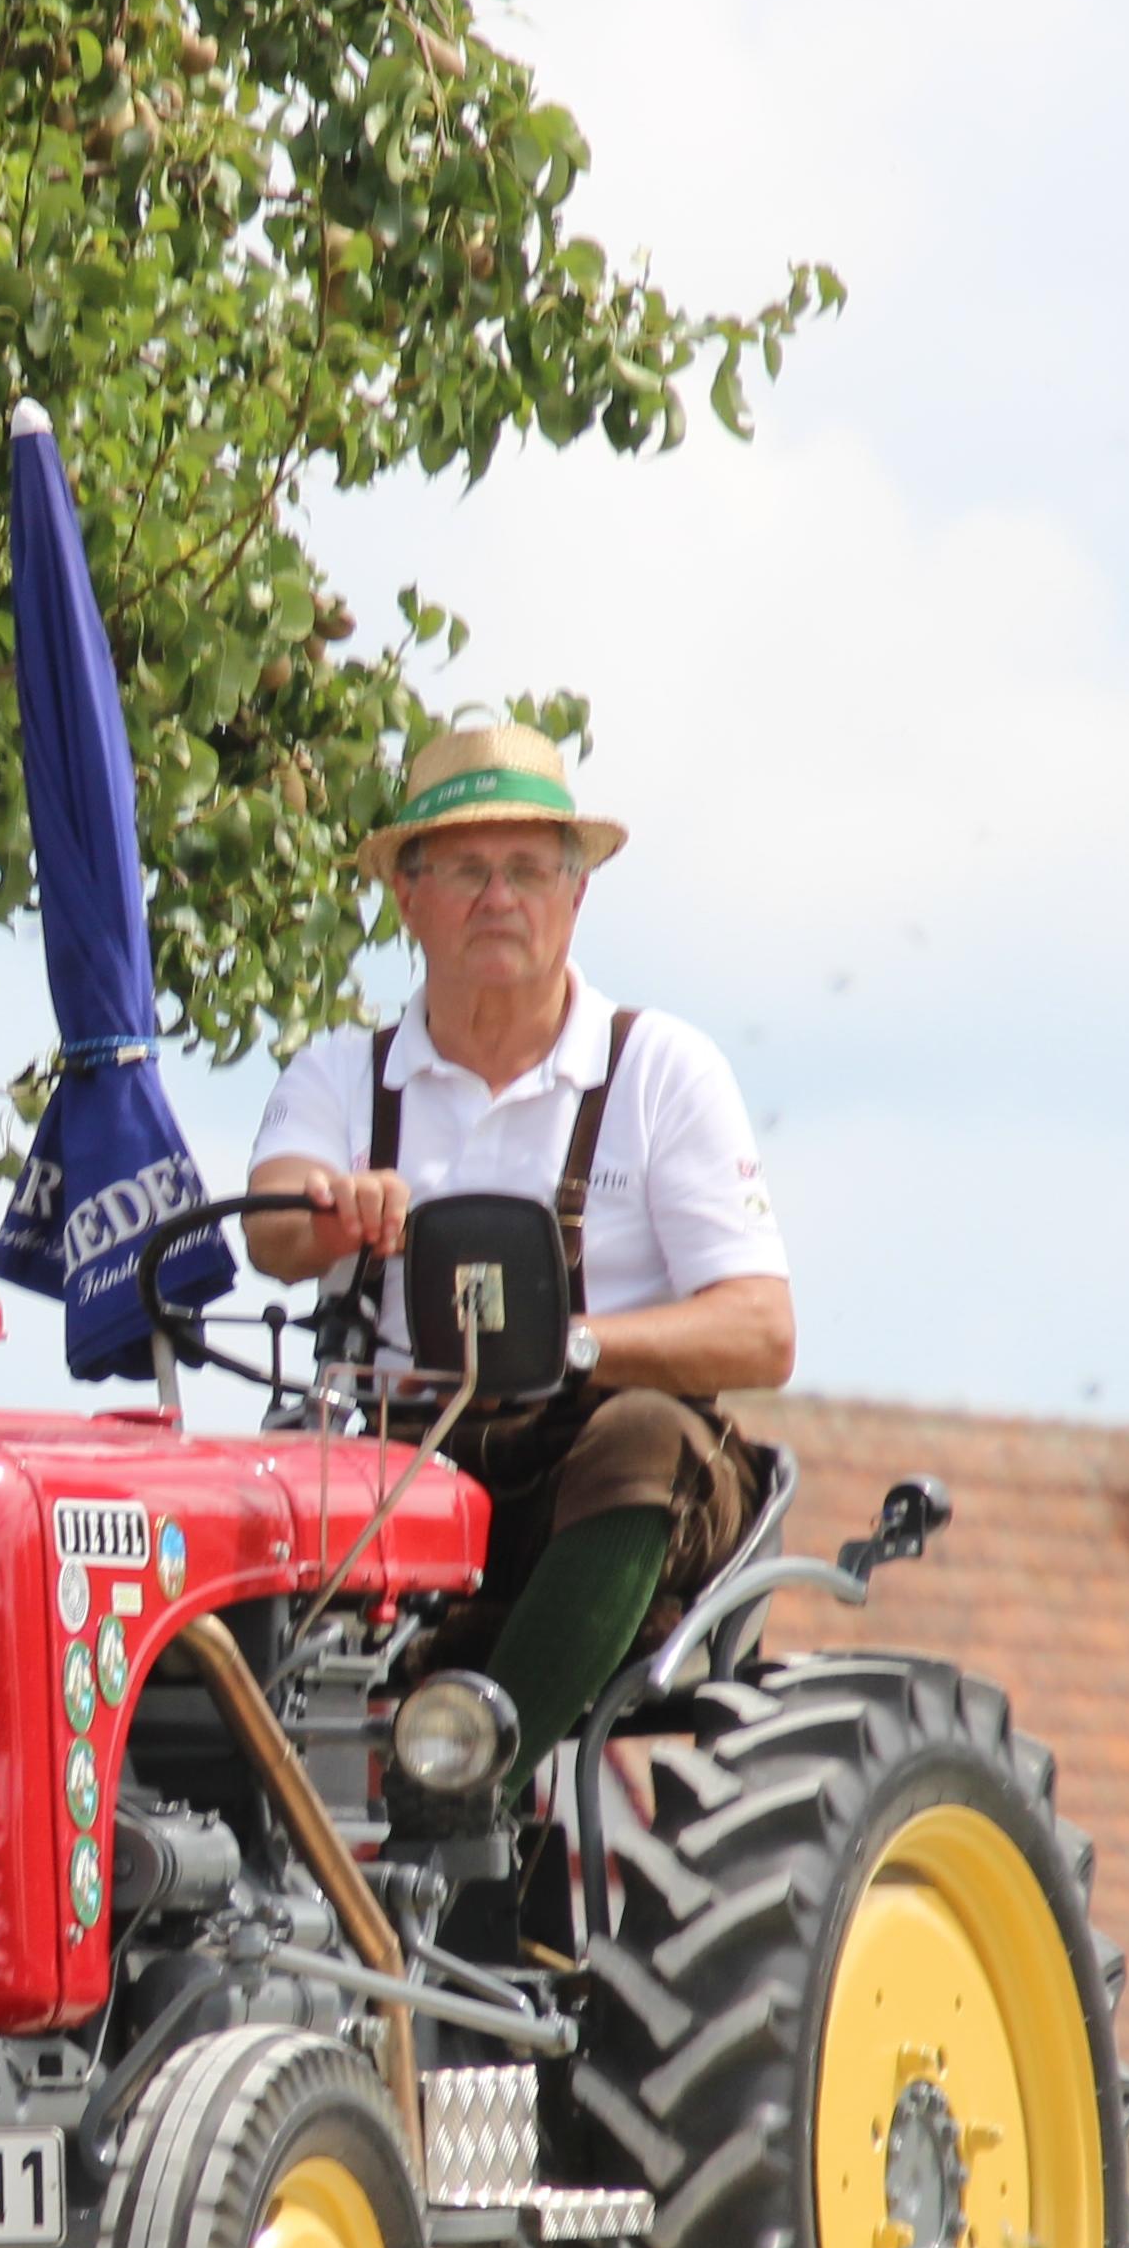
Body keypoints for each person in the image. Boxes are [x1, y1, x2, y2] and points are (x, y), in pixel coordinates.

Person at [241, 719, 792, 1754]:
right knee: (232, 1490)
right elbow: (270, 1228)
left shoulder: (660, 1068)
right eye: (466, 870)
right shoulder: (339, 1075)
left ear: (575, 895)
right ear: (407, 896)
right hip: (404, 1456)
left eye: (529, 869)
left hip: (614, 1470)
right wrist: (333, 1206)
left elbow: (762, 1333)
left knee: (642, 1438)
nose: (500, 898)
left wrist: (575, 1345)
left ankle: (469, 1778)